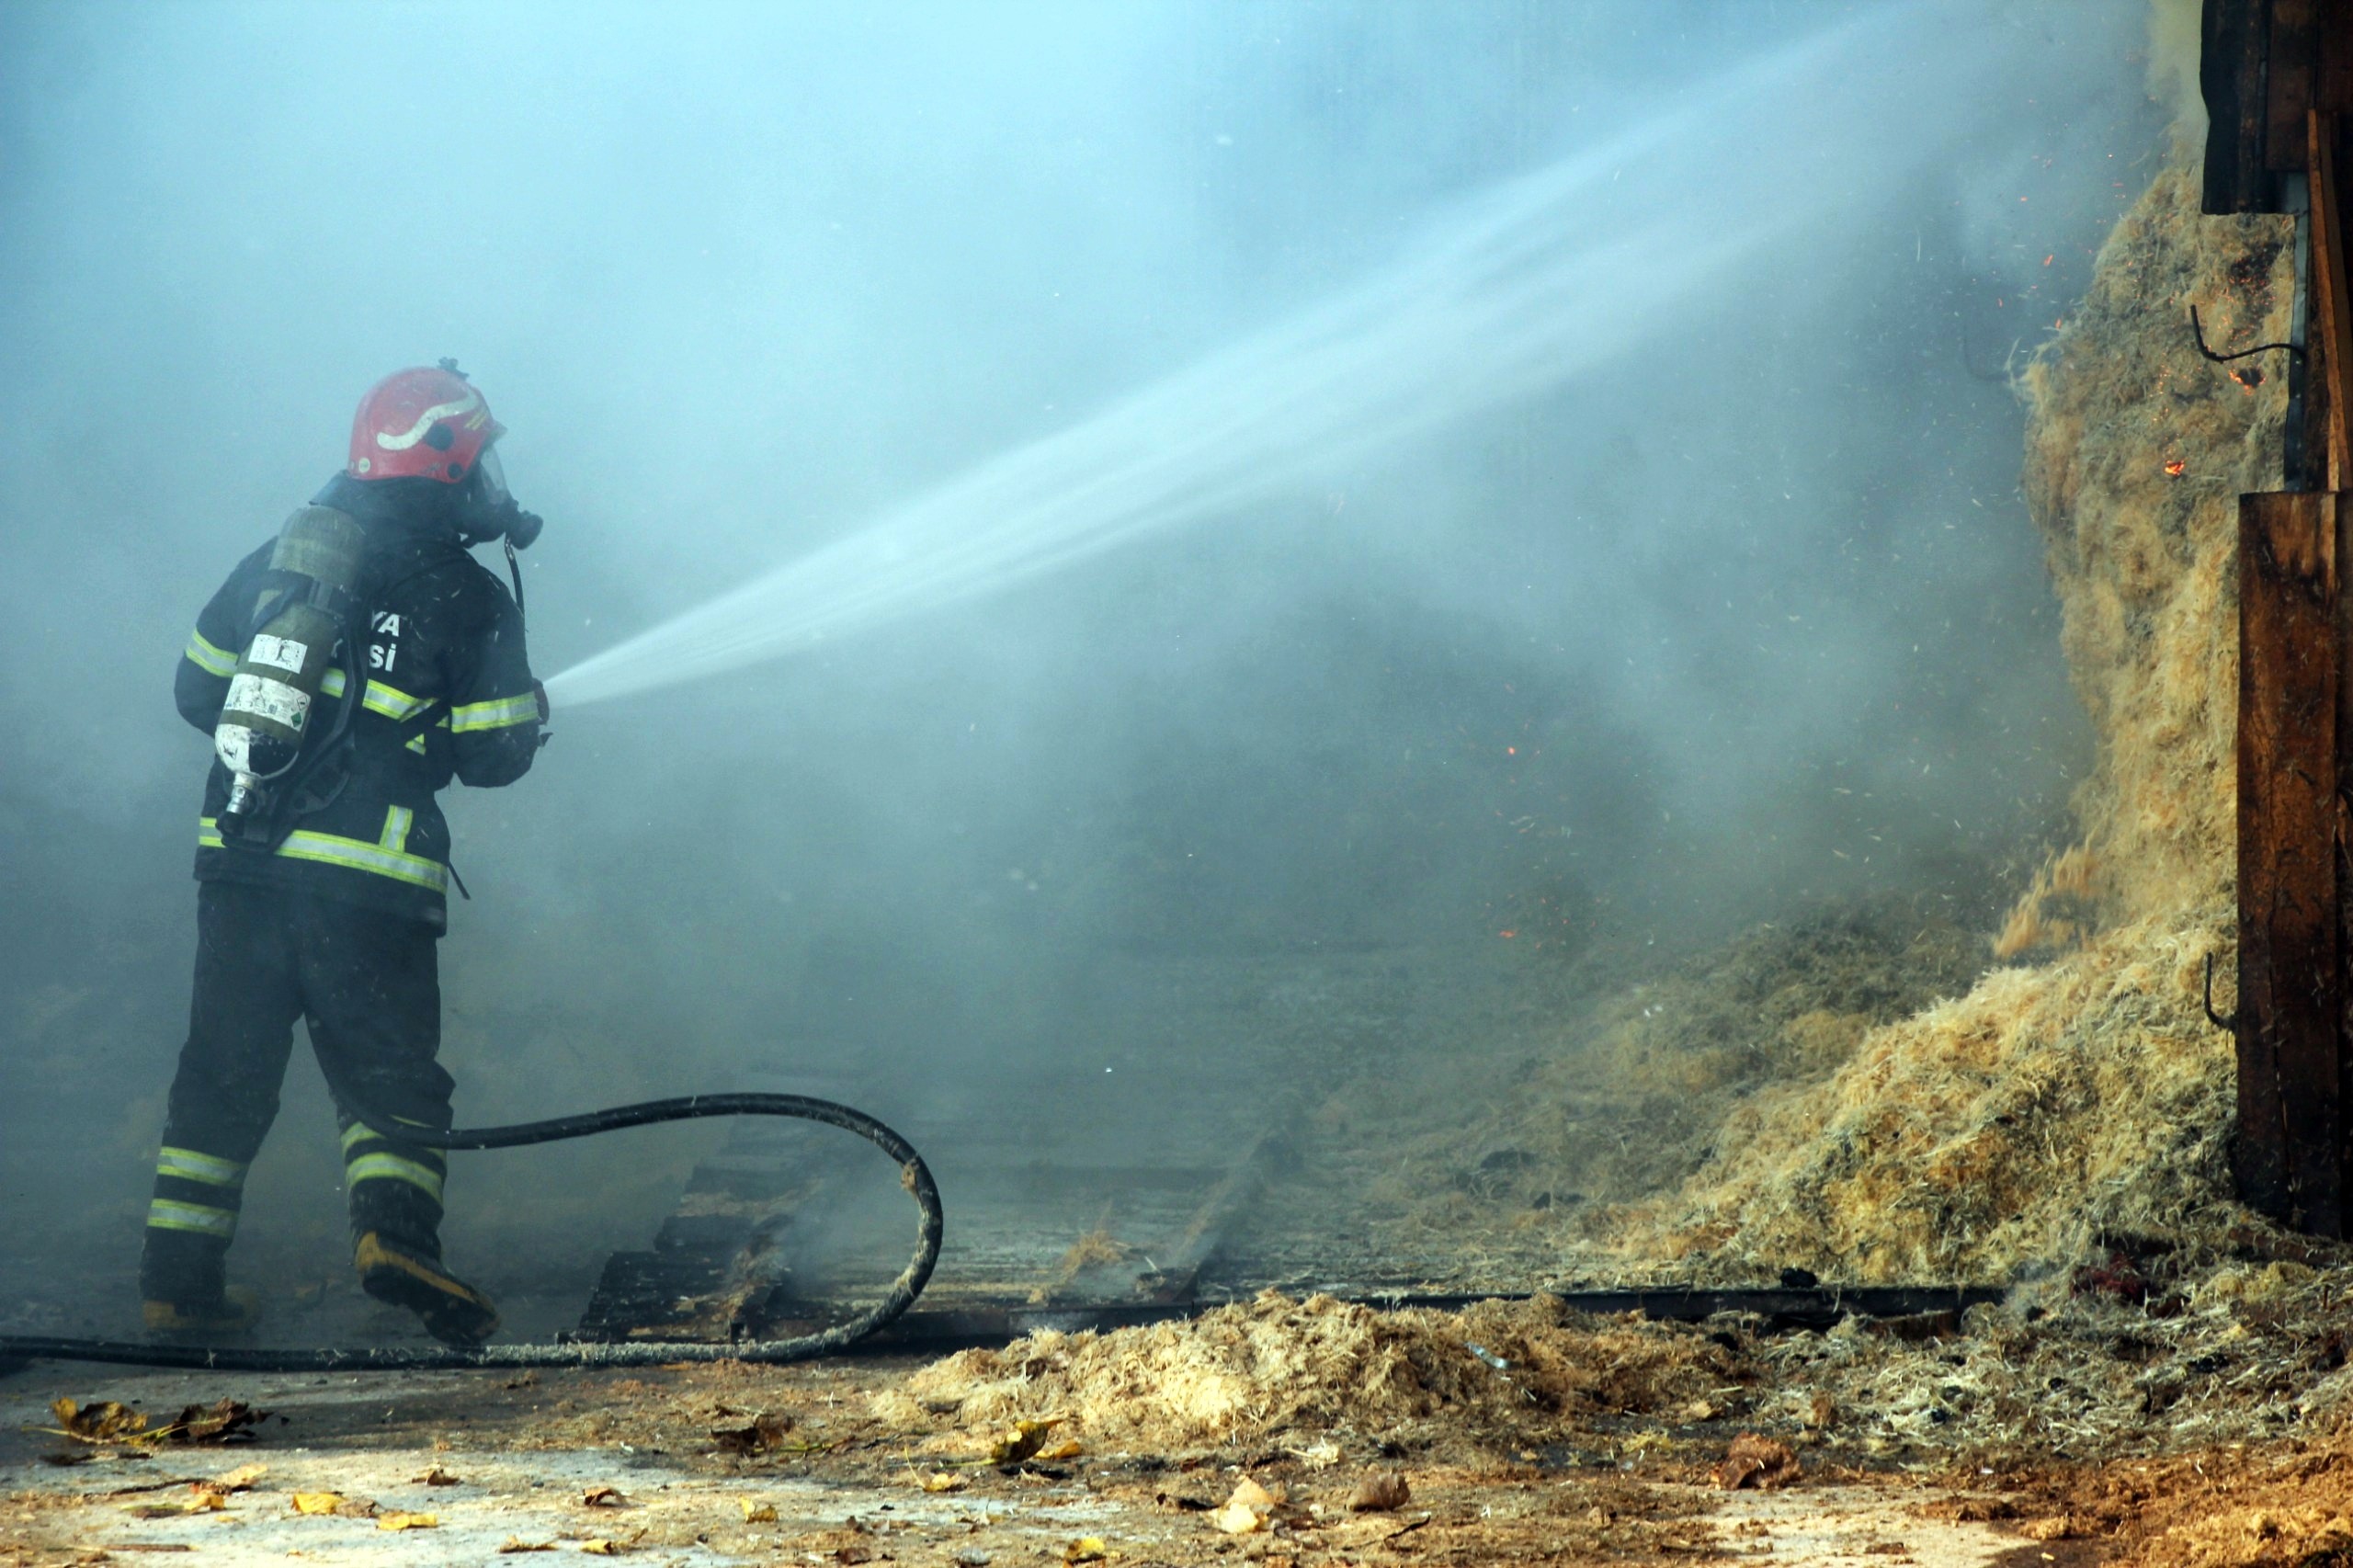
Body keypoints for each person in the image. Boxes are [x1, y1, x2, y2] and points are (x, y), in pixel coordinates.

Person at [142, 363, 548, 1345]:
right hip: (370, 881)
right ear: (449, 462)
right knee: (387, 1072)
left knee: (225, 1072)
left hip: (242, 864)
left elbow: (199, 692)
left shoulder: (281, 561)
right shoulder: (470, 594)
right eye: (480, 455)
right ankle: (395, 1239)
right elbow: (494, 753)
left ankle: (177, 1282)